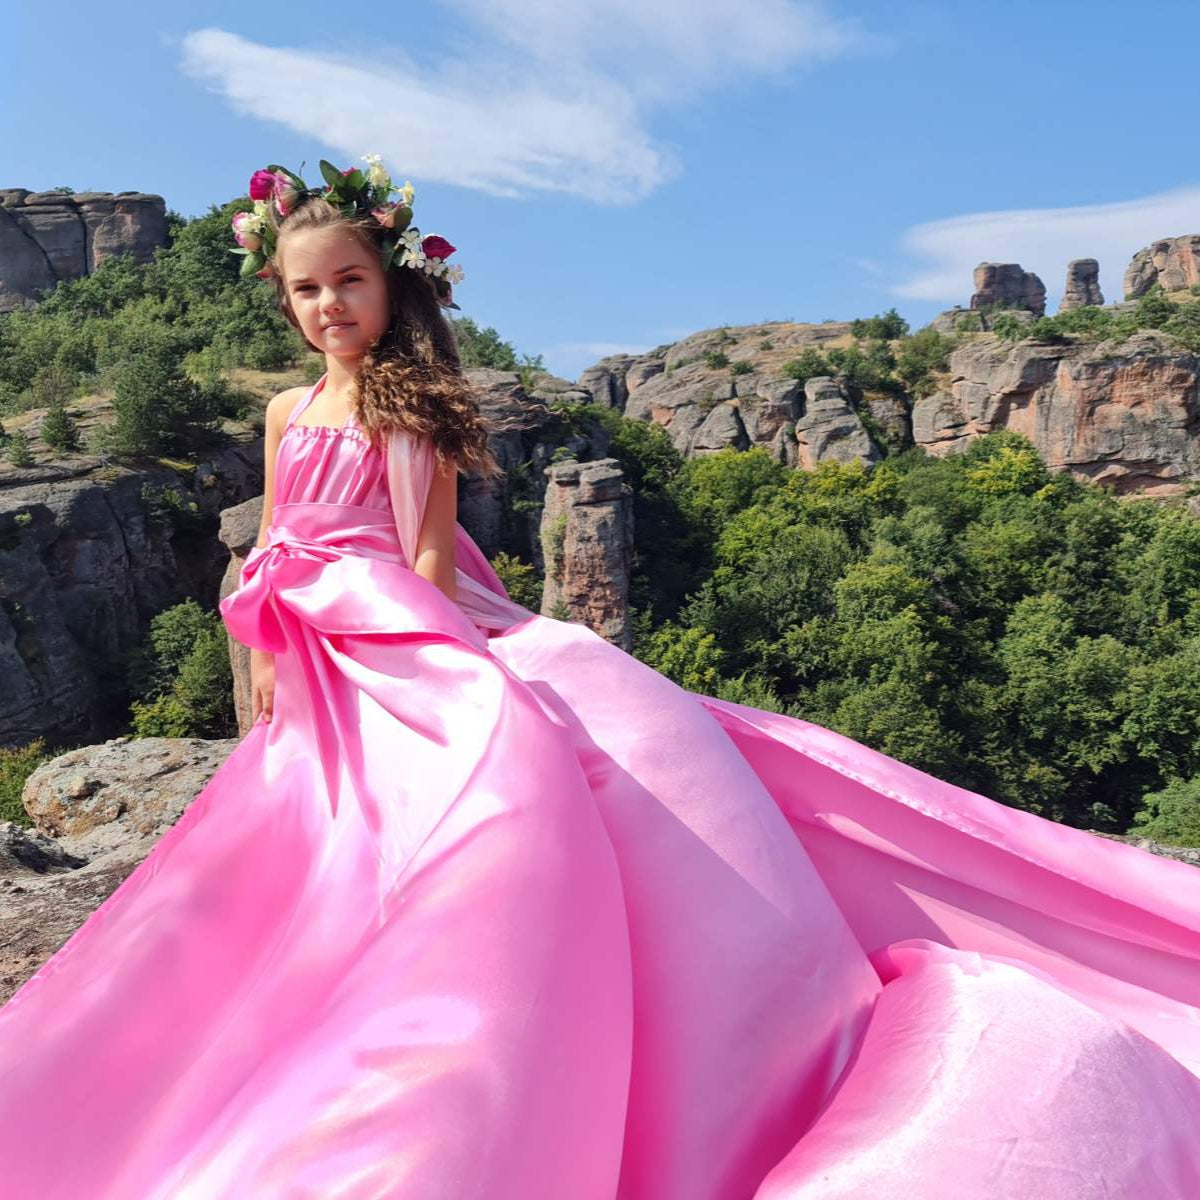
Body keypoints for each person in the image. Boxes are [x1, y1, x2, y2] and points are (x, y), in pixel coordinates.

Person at [0, 154, 1197, 1200]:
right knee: (298, 831)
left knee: (458, 804)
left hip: (387, 623)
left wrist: (446, 672)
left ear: (391, 284)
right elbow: (271, 541)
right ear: (282, 295)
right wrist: (261, 652)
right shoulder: (279, 408)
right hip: (299, 633)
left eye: (349, 283)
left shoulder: (409, 403)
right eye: (307, 289)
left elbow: (421, 557)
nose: (328, 307)